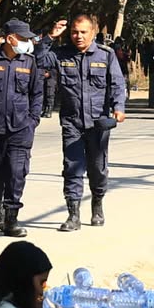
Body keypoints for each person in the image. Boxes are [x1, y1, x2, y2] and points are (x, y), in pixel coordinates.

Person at [53, 12, 127, 230]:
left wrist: (119, 108)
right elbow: (38, 59)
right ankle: (73, 215)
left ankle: (97, 203)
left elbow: (116, 83)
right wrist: (50, 37)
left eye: (83, 32)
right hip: (72, 121)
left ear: (93, 32)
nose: (78, 36)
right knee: (72, 167)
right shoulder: (60, 55)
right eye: (74, 32)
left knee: (97, 168)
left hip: (99, 122)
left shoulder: (106, 55)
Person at [0, 21, 44, 236]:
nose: (27, 43)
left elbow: (36, 93)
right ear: (11, 38)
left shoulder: (29, 62)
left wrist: (33, 120)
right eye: (22, 39)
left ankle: (12, 219)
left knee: (17, 173)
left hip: (21, 128)